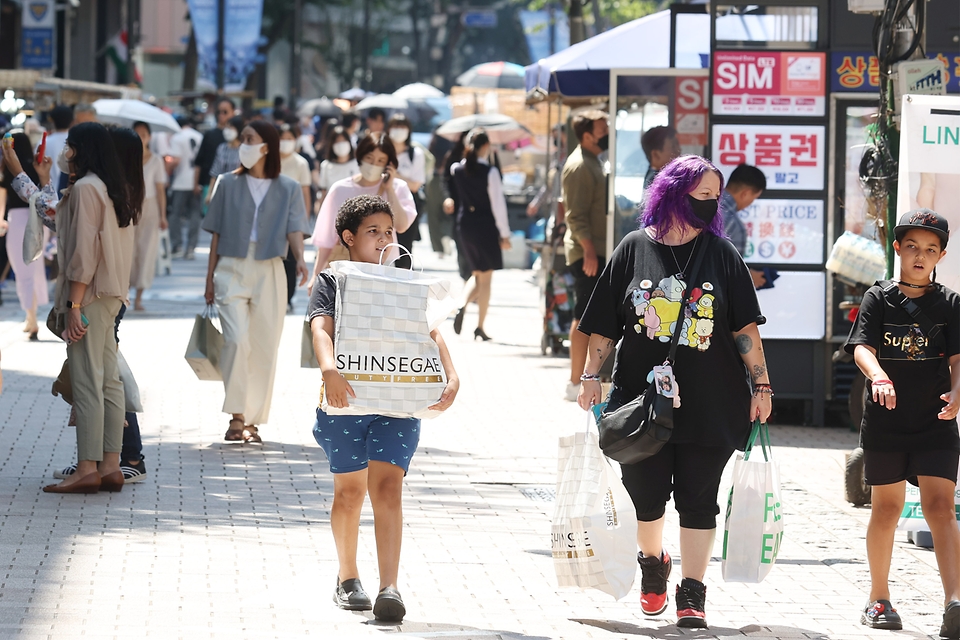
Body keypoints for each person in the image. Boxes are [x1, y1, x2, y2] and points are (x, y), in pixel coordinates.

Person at [577, 155, 772, 628]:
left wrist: (761, 383)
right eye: (701, 195)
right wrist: (589, 376)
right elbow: (604, 325)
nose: (710, 204)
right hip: (640, 402)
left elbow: (744, 328)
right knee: (645, 495)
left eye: (714, 197)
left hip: (712, 400)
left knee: (699, 498)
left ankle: (693, 591)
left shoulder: (722, 255)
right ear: (672, 193)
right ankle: (653, 563)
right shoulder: (632, 248)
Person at [309, 194, 459, 622]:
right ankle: (347, 577)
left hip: (397, 401)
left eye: (389, 231)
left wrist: (452, 375)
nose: (383, 239)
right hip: (347, 401)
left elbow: (430, 329)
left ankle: (389, 587)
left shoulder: (405, 278)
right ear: (348, 237)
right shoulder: (334, 280)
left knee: (389, 489)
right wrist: (329, 370)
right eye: (373, 231)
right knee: (350, 492)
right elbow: (321, 328)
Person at [844, 208, 960, 638]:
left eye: (930, 249)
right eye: (912, 246)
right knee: (887, 509)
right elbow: (861, 348)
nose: (920, 255)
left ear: (940, 255)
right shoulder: (879, 297)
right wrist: (878, 375)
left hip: (935, 420)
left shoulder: (950, 303)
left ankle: (955, 602)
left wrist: (958, 391)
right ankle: (879, 598)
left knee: (941, 509)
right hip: (886, 421)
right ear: (898, 248)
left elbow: (957, 359)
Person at [42, 122, 141, 494]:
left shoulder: (86, 189)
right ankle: (111, 465)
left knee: (87, 380)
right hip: (112, 293)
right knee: (108, 381)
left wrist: (74, 303)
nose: (66, 151)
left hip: (91, 294)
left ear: (82, 149)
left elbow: (84, 252)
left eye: (70, 146)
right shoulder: (116, 189)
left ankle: (87, 467)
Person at [202, 121, 311, 444]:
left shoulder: (288, 187)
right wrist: (208, 278)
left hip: (271, 269)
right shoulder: (225, 183)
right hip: (231, 267)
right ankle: (236, 415)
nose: (243, 144)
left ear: (267, 146)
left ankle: (252, 420)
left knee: (265, 347)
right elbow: (215, 235)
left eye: (250, 139)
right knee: (236, 341)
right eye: (243, 139)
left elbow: (295, 227)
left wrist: (301, 258)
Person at [309, 133, 416, 283]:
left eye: (380, 161)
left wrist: (389, 189)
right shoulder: (340, 189)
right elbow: (326, 238)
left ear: (388, 164)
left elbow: (401, 225)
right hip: (344, 264)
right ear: (360, 157)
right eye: (369, 159)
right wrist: (316, 274)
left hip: (384, 264)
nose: (374, 165)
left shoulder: (398, 187)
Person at [561, 110, 609, 401]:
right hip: (586, 252)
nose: (607, 134)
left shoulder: (593, 162)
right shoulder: (580, 165)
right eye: (603, 130)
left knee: (591, 315)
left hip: (596, 249)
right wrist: (589, 250)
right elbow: (575, 216)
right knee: (583, 317)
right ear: (587, 135)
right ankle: (574, 380)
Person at [449, 129, 512, 342]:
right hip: (485, 225)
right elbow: (498, 205)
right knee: (486, 278)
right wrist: (504, 233)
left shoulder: (456, 169)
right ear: (485, 146)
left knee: (477, 273)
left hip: (464, 223)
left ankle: (461, 304)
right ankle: (480, 326)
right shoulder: (490, 172)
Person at [1, 131, 49, 339]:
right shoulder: (38, 166)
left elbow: (2, 197)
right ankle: (33, 316)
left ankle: (31, 318)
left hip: (17, 220)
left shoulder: (8, 168)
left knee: (22, 272)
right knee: (36, 270)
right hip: (39, 220)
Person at [129, 122, 168, 311]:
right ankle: (124, 292)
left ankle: (138, 297)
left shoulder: (156, 160)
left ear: (149, 137)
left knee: (146, 251)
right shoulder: (125, 158)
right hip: (129, 207)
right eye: (137, 134)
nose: (141, 137)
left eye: (144, 134)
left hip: (150, 207)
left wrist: (163, 215)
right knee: (128, 251)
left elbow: (160, 189)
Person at [278, 121, 314, 309]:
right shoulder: (270, 161)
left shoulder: (300, 163)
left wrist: (304, 220)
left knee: (292, 259)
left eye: (289, 139)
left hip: (293, 218)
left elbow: (305, 193)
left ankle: (288, 297)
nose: (285, 142)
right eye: (282, 139)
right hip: (273, 219)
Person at [719, 164, 771, 290]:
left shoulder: (699, 207)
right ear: (745, 193)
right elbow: (728, 275)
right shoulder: (735, 227)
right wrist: (747, 276)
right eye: (754, 198)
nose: (750, 203)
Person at [387, 114, 426, 269]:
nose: (399, 131)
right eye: (395, 127)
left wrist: (394, 175)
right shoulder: (382, 152)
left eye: (402, 127)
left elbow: (415, 185)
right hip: (383, 202)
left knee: (404, 249)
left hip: (405, 205)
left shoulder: (415, 154)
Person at [166, 114, 204, 260]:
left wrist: (167, 168)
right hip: (196, 180)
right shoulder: (199, 136)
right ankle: (191, 248)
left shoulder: (177, 137)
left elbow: (176, 159)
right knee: (195, 214)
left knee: (175, 214)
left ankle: (177, 245)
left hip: (181, 181)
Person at [194, 97, 235, 207]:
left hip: (233, 186)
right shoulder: (210, 135)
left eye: (225, 112)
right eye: (218, 112)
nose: (221, 115)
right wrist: (196, 183)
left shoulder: (239, 137)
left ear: (233, 112)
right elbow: (199, 161)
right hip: (210, 183)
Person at [317, 126, 359, 206]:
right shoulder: (326, 165)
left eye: (343, 141)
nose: (341, 144)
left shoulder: (357, 164)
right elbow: (323, 192)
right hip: (333, 208)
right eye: (337, 142)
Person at [641, 126, 681, 190]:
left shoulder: (652, 175)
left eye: (678, 145)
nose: (679, 150)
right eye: (673, 147)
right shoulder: (658, 183)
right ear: (656, 154)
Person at [208, 115, 244, 186]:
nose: (227, 130)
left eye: (230, 127)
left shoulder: (244, 149)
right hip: (222, 187)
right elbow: (215, 172)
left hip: (238, 187)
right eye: (226, 127)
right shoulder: (222, 148)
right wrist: (210, 193)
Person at [45, 105, 73, 192]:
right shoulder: (75, 140)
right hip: (69, 190)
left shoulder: (44, 142)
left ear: (52, 121)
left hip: (49, 189)